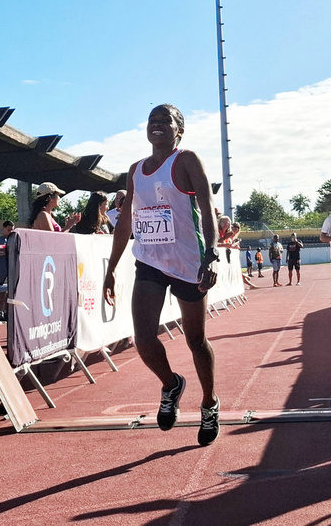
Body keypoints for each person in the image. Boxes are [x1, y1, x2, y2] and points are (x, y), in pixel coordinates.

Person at [103, 104, 221, 446]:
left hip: (188, 263)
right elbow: (126, 221)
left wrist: (211, 255)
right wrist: (111, 268)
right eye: (151, 121)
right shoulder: (136, 170)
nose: (156, 125)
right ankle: (171, 385)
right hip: (150, 262)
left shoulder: (187, 160)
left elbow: (208, 207)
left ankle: (209, 402)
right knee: (143, 338)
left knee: (195, 339)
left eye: (164, 120)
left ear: (178, 130)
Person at [0, 220, 14, 319]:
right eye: (8, 230)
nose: (10, 232)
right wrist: (4, 253)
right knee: (2, 292)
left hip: (11, 269)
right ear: (3, 229)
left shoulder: (13, 240)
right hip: (1, 269)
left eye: (12, 230)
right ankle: (1, 311)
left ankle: (8, 311)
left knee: (11, 292)